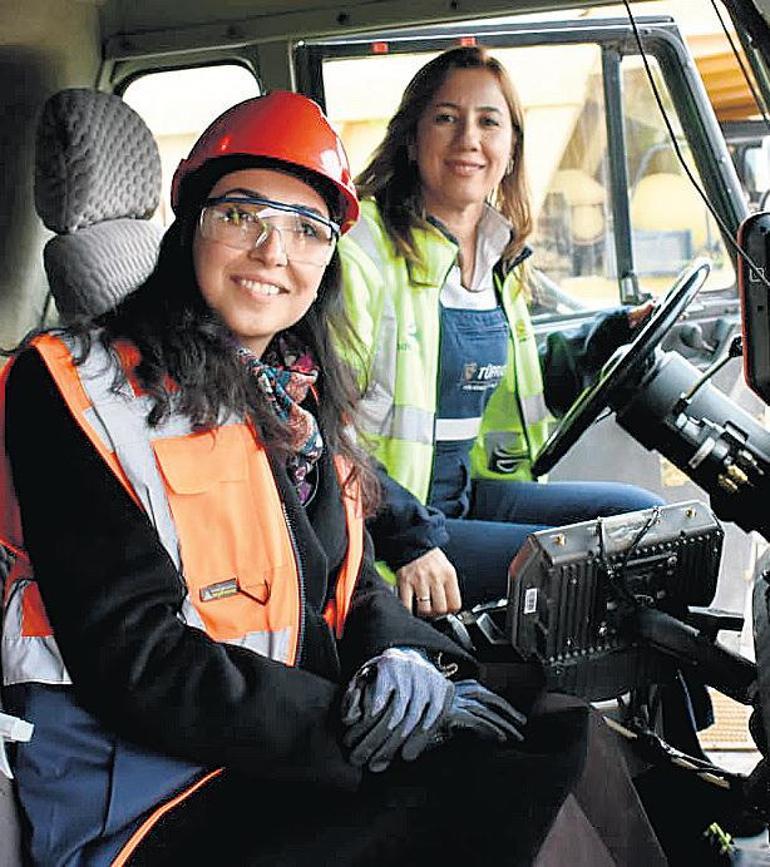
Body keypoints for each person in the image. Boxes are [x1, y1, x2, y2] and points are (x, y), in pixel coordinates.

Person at [0, 90, 667, 866]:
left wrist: (408, 662)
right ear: (188, 230)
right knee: (498, 790)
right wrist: (348, 721)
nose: (272, 251)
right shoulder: (69, 387)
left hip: (274, 741)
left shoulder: (288, 389)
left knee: (561, 725)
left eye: (306, 229)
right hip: (153, 794)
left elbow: (350, 583)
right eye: (239, 214)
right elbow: (138, 659)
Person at [338, 45, 665, 618]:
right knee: (597, 570)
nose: (469, 137)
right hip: (383, 522)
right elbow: (325, 425)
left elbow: (507, 382)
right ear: (412, 140)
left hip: (465, 497)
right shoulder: (362, 249)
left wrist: (601, 342)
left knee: (643, 522)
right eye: (446, 118)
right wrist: (408, 539)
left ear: (510, 148)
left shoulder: (498, 256)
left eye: (489, 121)